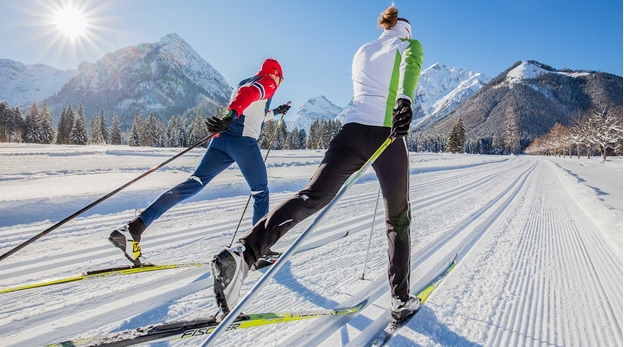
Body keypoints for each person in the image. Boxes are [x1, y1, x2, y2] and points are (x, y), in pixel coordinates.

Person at [211, 5, 424, 322]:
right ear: (405, 30)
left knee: (310, 196)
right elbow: (411, 67)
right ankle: (400, 299)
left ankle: (244, 254)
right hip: (389, 135)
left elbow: (360, 95)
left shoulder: (363, 51)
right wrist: (405, 100)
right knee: (397, 218)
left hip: (350, 133)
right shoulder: (410, 44)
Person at [109, 58, 290, 267]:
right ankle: (259, 250)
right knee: (261, 192)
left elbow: (253, 111)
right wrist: (231, 115)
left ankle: (135, 228)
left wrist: (276, 112)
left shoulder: (244, 81)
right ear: (275, 72)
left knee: (193, 183)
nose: (279, 83)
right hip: (243, 142)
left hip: (221, 141)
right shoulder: (267, 81)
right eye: (281, 78)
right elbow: (249, 94)